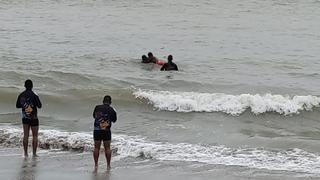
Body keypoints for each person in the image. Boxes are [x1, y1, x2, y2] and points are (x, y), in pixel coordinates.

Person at [16, 79, 42, 157]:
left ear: (25, 86)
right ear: (32, 86)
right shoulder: (34, 95)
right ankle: (34, 153)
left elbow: (17, 106)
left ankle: (26, 153)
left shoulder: (21, 95)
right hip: (34, 117)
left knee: (26, 135)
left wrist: (24, 104)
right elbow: (40, 106)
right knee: (35, 136)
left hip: (25, 117)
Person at [93, 95, 117, 171]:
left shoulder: (97, 107)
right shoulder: (111, 109)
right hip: (106, 131)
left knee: (96, 148)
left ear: (103, 101)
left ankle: (96, 165)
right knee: (107, 148)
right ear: (110, 102)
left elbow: (94, 116)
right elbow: (114, 120)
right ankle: (108, 165)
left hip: (97, 130)